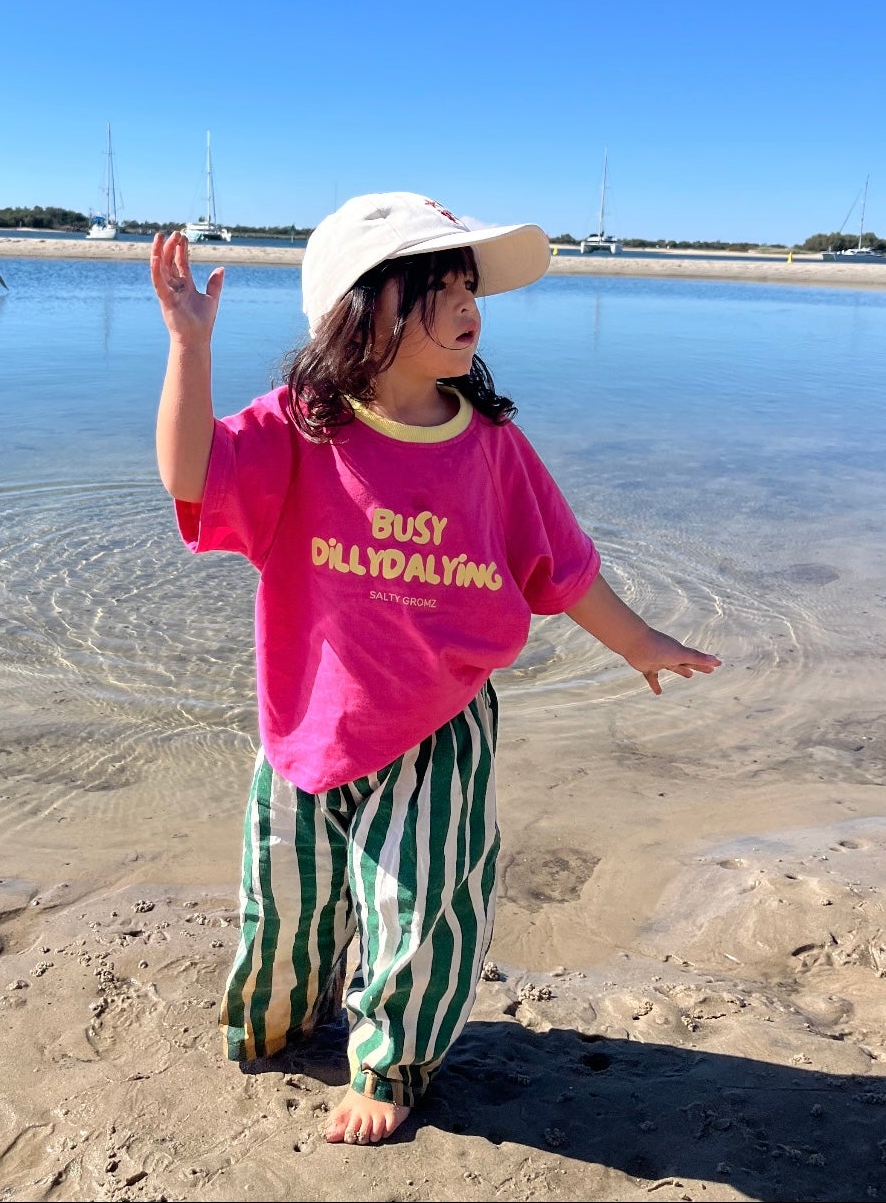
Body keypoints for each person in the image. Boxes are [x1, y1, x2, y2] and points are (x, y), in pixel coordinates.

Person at [150, 191, 720, 1148]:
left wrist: (639, 642)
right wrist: (189, 347)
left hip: (439, 724)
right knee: (284, 896)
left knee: (420, 903)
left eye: (469, 286)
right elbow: (190, 475)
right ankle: (280, 1017)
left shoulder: (490, 447)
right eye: (438, 287)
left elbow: (560, 565)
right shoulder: (302, 428)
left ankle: (391, 1062)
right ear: (357, 308)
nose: (468, 305)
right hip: (307, 721)